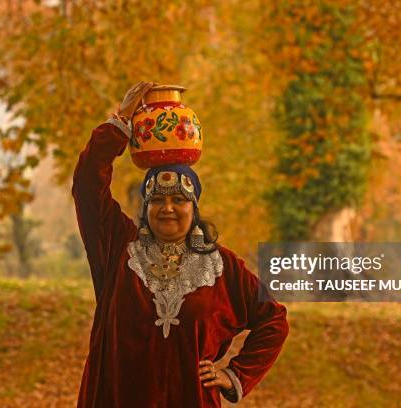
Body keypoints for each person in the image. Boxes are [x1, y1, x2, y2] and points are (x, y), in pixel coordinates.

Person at [72, 81, 289, 407]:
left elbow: (273, 320)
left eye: (179, 199)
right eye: (157, 199)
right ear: (145, 206)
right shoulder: (119, 248)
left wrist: (233, 375)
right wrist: (120, 123)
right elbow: (88, 184)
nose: (168, 207)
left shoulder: (222, 267)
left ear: (194, 207)